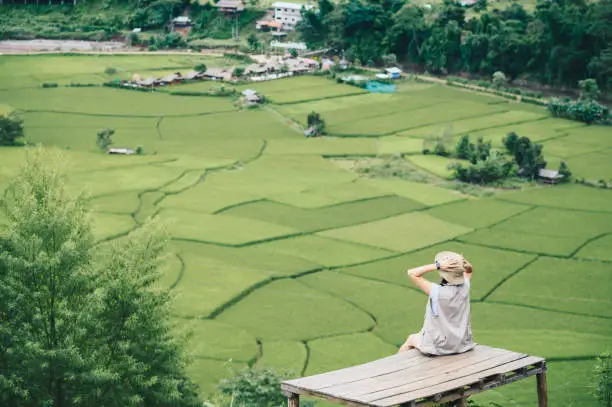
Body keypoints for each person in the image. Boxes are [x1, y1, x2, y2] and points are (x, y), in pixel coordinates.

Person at [398, 251, 475, 356]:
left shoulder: (437, 291)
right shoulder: (465, 287)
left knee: (411, 339)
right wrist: (466, 266)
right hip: (461, 343)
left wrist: (438, 265)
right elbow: (469, 272)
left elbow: (412, 273)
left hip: (439, 346)